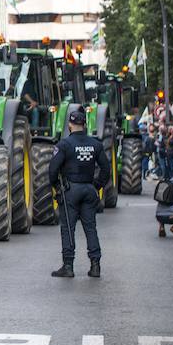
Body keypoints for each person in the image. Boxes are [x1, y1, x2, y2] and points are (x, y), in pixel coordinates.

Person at [48, 108, 111, 279]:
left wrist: (57, 187)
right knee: (90, 228)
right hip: (89, 189)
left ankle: (68, 266)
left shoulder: (64, 145)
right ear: (84, 125)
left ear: (69, 125)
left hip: (70, 190)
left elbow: (52, 170)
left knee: (68, 228)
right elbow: (106, 169)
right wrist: (96, 186)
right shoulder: (95, 144)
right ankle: (95, 265)